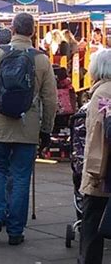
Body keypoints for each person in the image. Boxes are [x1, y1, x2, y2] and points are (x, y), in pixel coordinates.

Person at [0, 13, 57, 245]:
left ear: (13, 29)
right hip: (28, 129)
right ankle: (16, 231)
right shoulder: (42, 60)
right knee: (21, 177)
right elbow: (50, 100)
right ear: (32, 32)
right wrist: (46, 130)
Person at [78, 49, 111, 264]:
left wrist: (93, 172)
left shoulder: (102, 94)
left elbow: (97, 136)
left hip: (103, 174)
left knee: (92, 224)